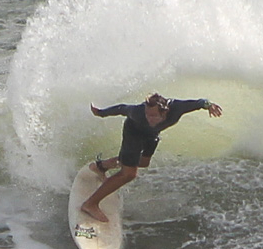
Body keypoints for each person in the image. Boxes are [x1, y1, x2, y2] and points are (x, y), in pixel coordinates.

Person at [80, 93, 223, 222]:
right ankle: (90, 204)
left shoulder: (177, 107)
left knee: (142, 162)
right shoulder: (137, 112)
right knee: (129, 174)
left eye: (154, 116)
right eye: (148, 115)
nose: (149, 118)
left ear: (165, 111)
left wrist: (209, 105)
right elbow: (122, 108)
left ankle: (101, 166)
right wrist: (101, 113)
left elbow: (199, 102)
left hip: (151, 135)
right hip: (133, 133)